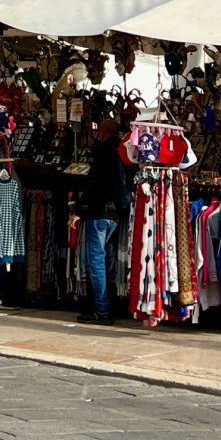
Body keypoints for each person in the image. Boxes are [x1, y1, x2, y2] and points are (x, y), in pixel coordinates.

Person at [74, 117, 130, 325]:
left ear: (103, 133)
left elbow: (94, 183)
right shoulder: (124, 152)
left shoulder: (104, 152)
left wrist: (79, 209)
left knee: (95, 260)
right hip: (115, 214)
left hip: (99, 213)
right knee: (107, 259)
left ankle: (101, 308)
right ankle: (107, 303)